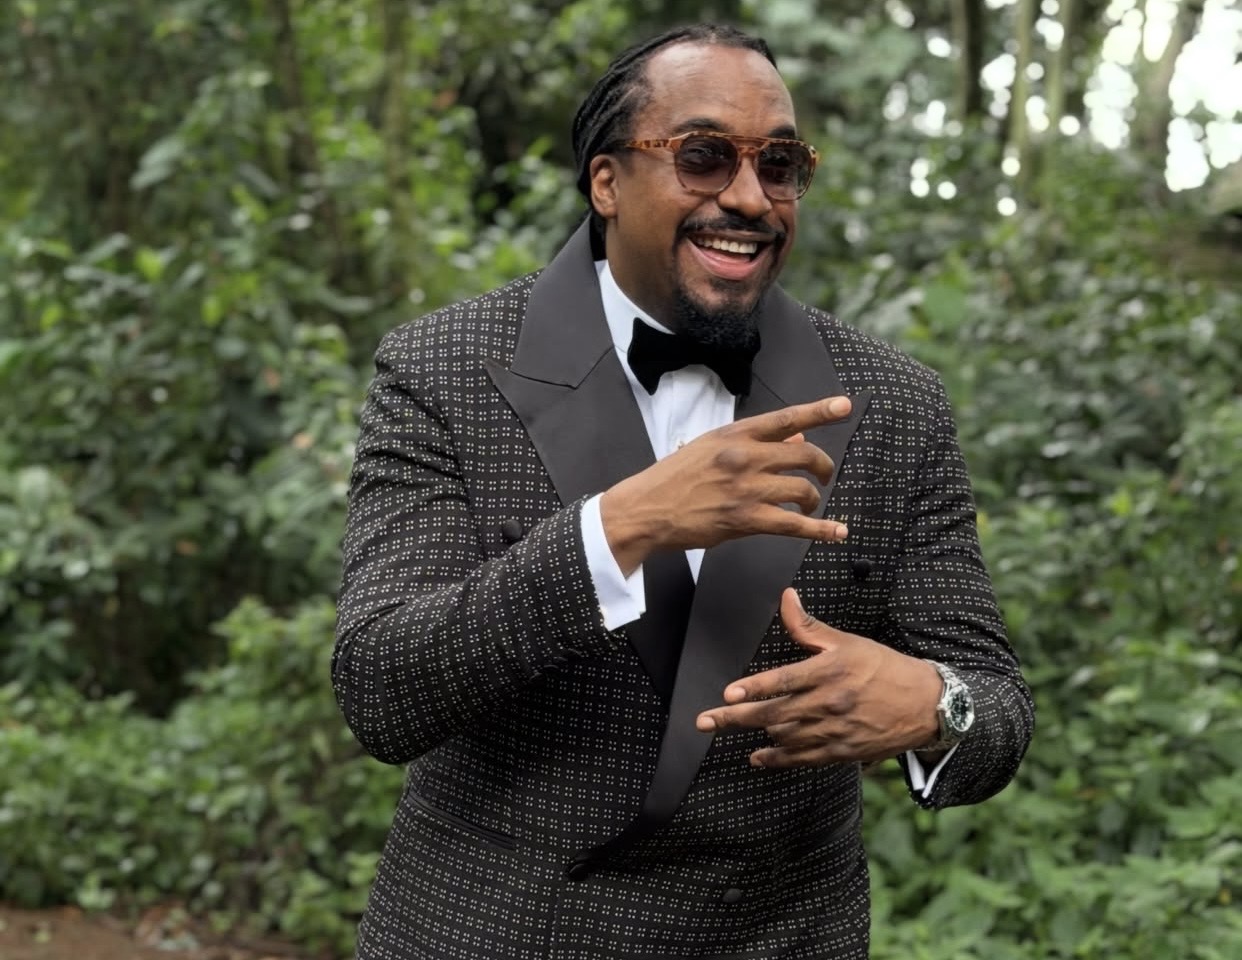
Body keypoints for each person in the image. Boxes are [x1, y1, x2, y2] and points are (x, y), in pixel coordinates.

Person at [332, 22, 1033, 960]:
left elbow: (997, 705)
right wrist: (620, 528)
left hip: (780, 938)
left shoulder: (894, 402)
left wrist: (934, 705)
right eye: (704, 156)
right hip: (492, 933)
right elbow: (382, 689)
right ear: (607, 182)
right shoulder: (442, 369)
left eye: (778, 165)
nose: (748, 197)